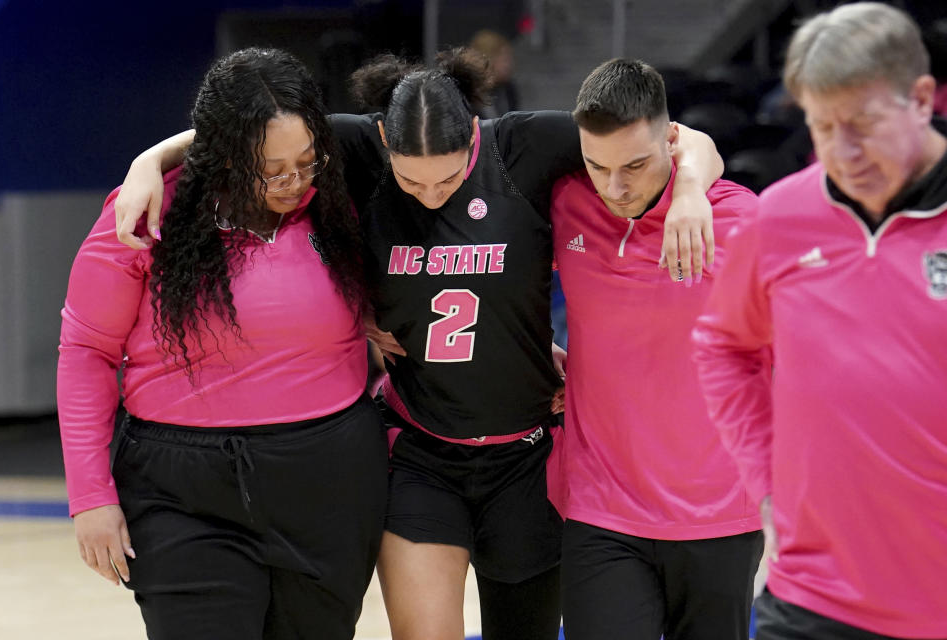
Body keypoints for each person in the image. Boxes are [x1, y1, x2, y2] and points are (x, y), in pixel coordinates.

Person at [113, 47, 722, 640]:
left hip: (528, 454)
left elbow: (674, 137)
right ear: (382, 140)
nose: (431, 195)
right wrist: (148, 160)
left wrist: (691, 188)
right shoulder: (355, 145)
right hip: (419, 455)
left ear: (475, 141)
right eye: (412, 181)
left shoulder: (522, 146)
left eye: (449, 179)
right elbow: (243, 133)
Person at [57, 48, 388, 640]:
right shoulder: (146, 212)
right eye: (271, 169)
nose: (294, 182)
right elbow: (87, 353)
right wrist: (90, 498)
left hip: (331, 484)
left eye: (307, 161)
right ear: (224, 157)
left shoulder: (339, 197)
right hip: (181, 490)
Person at [692, 3, 947, 639]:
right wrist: (767, 481)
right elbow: (723, 347)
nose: (843, 150)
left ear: (921, 98)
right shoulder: (779, 218)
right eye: (823, 126)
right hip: (812, 596)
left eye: (862, 124)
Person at [549, 58, 763, 640]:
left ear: (671, 140)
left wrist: (692, 186)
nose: (614, 188)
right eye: (598, 166)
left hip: (719, 511)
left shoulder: (739, 219)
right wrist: (532, 347)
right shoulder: (568, 202)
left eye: (635, 166)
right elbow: (494, 276)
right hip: (599, 508)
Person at [468, 29, 519, 118]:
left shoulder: (508, 90)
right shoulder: (468, 95)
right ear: (489, 59)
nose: (509, 65)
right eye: (505, 60)